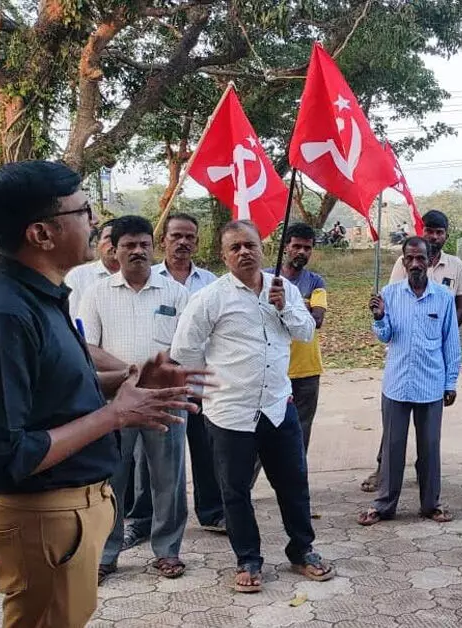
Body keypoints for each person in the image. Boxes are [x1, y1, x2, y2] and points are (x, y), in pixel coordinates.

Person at [0, 160, 199, 627]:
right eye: (84, 210)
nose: (95, 224)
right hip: (42, 521)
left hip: (70, 514)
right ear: (41, 234)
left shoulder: (43, 295)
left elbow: (54, 388)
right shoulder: (2, 315)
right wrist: (115, 416)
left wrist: (127, 380)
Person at [170, 220, 332, 593]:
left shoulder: (284, 289)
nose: (244, 252)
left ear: (262, 247)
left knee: (293, 483)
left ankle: (301, 549)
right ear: (224, 255)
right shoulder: (210, 298)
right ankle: (248, 558)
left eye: (250, 245)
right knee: (235, 489)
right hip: (230, 412)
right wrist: (209, 390)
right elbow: (184, 350)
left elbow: (306, 331)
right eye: (235, 248)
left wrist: (284, 308)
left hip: (278, 406)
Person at [79, 216, 192, 584]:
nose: (138, 251)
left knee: (168, 479)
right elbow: (89, 346)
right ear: (114, 249)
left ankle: (168, 551)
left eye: (144, 244)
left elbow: (186, 346)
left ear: (152, 247)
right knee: (112, 478)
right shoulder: (97, 293)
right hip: (116, 401)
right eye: (129, 245)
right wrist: (131, 372)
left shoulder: (175, 292)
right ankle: (106, 554)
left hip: (164, 400)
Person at [357, 237, 462, 526]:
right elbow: (385, 336)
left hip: (431, 385)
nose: (415, 263)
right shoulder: (389, 294)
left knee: (430, 447)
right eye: (410, 258)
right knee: (392, 448)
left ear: (430, 261)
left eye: (421, 258)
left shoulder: (442, 298)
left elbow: (451, 341)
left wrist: (450, 382)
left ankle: (431, 504)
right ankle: (384, 504)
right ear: (403, 262)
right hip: (397, 385)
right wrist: (379, 317)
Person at [153, 212, 223, 535]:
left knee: (206, 452)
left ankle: (212, 512)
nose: (182, 242)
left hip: (198, 382)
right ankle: (152, 519)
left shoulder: (211, 283)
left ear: (196, 242)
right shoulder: (149, 280)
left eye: (189, 237)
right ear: (163, 239)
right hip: (160, 386)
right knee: (159, 459)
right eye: (176, 236)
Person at [264, 222, 327, 453]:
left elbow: (316, 321)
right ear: (285, 248)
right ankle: (243, 489)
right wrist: (302, 307)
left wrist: (284, 305)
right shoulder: (266, 278)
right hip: (271, 366)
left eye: (307, 248)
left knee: (299, 436)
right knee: (262, 434)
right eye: (297, 246)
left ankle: (295, 487)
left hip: (306, 370)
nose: (302, 252)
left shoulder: (315, 282)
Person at [64, 218, 120, 322]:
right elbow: (73, 318)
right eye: (108, 238)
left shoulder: (140, 278)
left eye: (120, 238)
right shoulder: (78, 276)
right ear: (98, 243)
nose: (114, 243)